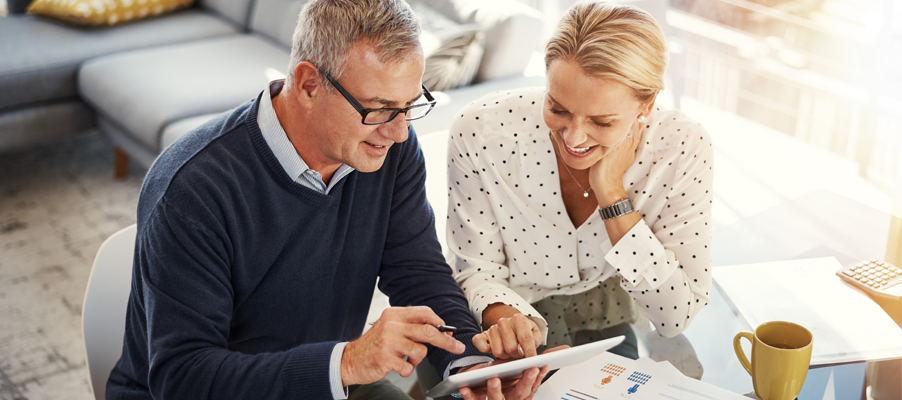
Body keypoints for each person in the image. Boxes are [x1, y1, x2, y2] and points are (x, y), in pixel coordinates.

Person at [105, 1, 549, 399]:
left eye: (410, 105)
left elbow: (417, 272)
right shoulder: (194, 188)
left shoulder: (388, 150)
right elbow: (182, 378)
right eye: (379, 109)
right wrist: (348, 362)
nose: (398, 132)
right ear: (308, 84)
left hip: (330, 380)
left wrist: (472, 367)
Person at [447, 1, 714, 361]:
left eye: (602, 122)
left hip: (605, 318)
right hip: (499, 320)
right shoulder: (480, 132)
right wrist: (507, 320)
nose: (573, 138)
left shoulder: (682, 148)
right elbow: (475, 270)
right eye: (557, 109)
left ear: (647, 106)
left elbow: (674, 316)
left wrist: (612, 195)